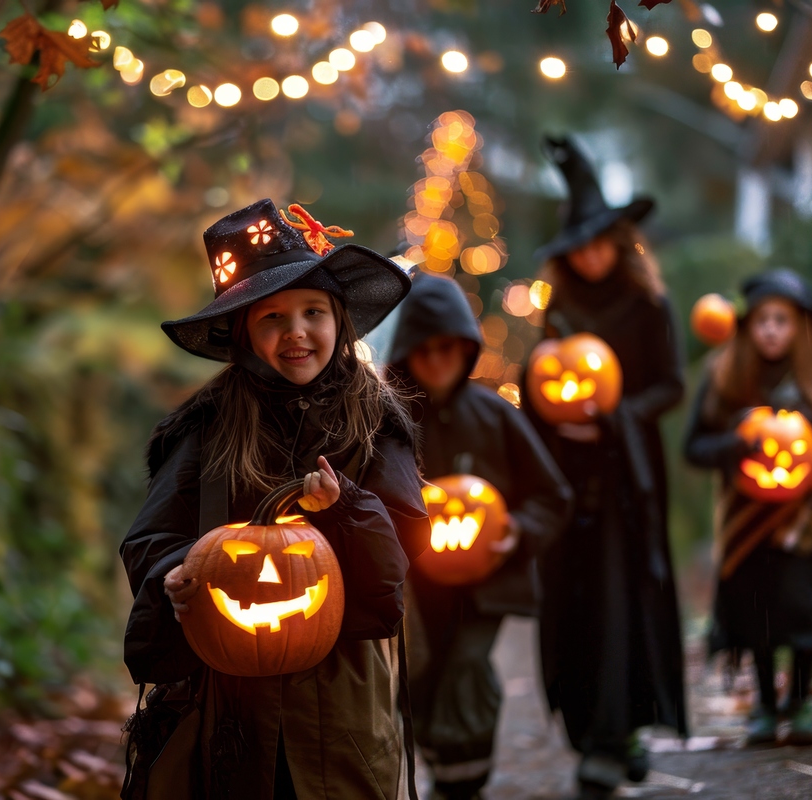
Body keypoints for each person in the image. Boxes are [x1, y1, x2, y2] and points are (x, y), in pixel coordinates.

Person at [119, 198, 430, 800]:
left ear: (339, 319)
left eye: (313, 311)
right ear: (243, 333)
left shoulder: (374, 421)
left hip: (344, 693)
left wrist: (345, 508)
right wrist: (170, 572)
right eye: (272, 318)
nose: (296, 333)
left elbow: (401, 547)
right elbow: (150, 537)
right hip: (226, 694)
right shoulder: (206, 427)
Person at [526, 136, 688, 798]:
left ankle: (620, 732)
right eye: (580, 247)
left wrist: (618, 414)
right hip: (570, 475)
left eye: (602, 243)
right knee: (577, 598)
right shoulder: (558, 312)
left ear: (621, 243)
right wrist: (552, 414)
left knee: (627, 598)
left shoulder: (649, 306)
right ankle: (596, 725)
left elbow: (669, 387)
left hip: (629, 477)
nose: (591, 256)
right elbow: (541, 386)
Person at [386, 273, 573, 799]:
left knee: (467, 668)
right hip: (417, 590)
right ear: (408, 352)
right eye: (426, 350)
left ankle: (466, 780)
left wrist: (517, 531)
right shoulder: (390, 421)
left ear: (465, 348)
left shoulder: (494, 415)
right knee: (422, 677)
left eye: (449, 347)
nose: (438, 360)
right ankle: (445, 767)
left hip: (487, 580)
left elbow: (552, 495)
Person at [684, 269, 812, 746]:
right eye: (763, 320)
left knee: (804, 606)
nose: (771, 330)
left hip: (808, 522)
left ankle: (802, 701)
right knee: (756, 611)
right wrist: (736, 445)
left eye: (782, 321)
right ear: (747, 327)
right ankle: (765, 705)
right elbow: (694, 447)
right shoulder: (725, 378)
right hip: (746, 520)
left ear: (800, 328)